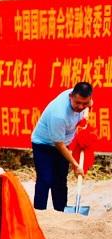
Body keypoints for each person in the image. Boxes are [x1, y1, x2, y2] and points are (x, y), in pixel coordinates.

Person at [31, 82, 92, 211]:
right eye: (77, 103)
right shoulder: (59, 114)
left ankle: (61, 211)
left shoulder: (85, 100)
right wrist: (76, 165)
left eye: (84, 103)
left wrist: (85, 120)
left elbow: (89, 105)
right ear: (71, 96)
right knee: (45, 179)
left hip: (65, 142)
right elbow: (59, 145)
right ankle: (39, 212)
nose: (81, 106)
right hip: (43, 144)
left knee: (60, 180)